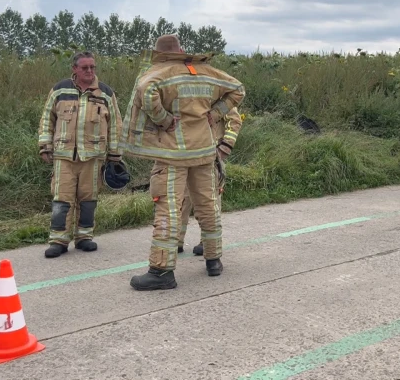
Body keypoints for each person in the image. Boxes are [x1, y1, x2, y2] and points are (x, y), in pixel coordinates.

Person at [120, 34, 245, 290]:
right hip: (204, 149)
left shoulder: (160, 72)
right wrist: (215, 113)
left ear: (160, 54)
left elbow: (145, 91)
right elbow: (238, 89)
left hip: (173, 152)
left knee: (168, 207)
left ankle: (162, 271)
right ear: (181, 50)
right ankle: (214, 260)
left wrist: (164, 119)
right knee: (208, 204)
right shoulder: (207, 72)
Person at [37, 51, 123, 258]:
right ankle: (58, 240)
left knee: (88, 199)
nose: (89, 71)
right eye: (85, 68)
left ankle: (84, 237)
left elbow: (116, 125)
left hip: (93, 157)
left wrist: (115, 154)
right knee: (62, 199)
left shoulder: (105, 93)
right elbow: (47, 119)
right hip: (63, 156)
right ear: (74, 69)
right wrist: (45, 145)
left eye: (92, 67)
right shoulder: (60, 90)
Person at [177, 106, 242, 256]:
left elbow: (234, 119)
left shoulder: (217, 91)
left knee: (209, 199)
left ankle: (207, 242)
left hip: (210, 155)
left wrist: (225, 147)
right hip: (186, 154)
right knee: (182, 198)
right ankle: (177, 240)